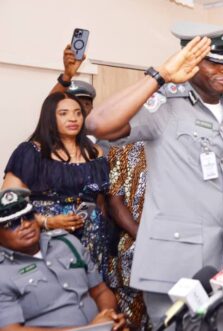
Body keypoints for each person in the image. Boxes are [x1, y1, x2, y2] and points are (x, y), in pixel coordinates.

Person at [85, 22, 223, 329]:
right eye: (214, 62)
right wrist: (159, 75)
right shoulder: (163, 106)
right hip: (176, 262)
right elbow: (97, 124)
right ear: (189, 62)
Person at [2, 92, 111, 280]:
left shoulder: (96, 153)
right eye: (64, 113)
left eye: (78, 113)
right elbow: (7, 202)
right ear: (49, 117)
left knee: (92, 294)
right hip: (47, 238)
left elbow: (102, 202)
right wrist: (47, 222)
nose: (73, 118)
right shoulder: (32, 151)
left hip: (93, 239)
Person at [0, 188, 126, 330]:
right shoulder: (3, 272)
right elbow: (11, 329)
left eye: (28, 217)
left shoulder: (66, 243)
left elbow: (100, 291)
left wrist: (108, 316)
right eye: (13, 224)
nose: (26, 225)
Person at [107, 142, 151, 330]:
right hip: (134, 247)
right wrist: (145, 239)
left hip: (178, 249)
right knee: (131, 321)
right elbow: (115, 203)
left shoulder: (184, 146)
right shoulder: (125, 150)